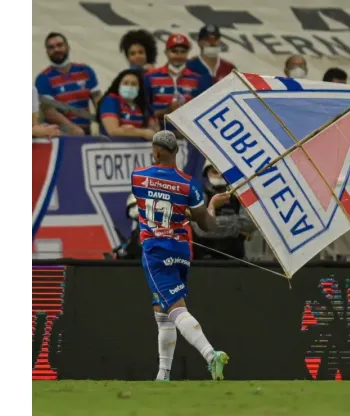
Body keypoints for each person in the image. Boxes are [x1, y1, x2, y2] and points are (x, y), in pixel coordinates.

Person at [132, 130, 231, 381]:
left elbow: (152, 208)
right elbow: (207, 225)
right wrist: (212, 205)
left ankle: (211, 355)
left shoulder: (138, 177)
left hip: (155, 250)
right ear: (176, 153)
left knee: (175, 309)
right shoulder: (189, 185)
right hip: (181, 251)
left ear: (155, 152)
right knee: (162, 312)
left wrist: (177, 212)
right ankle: (163, 375)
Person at [35, 32, 100, 135]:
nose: (56, 49)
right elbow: (49, 112)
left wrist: (107, 121)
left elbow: (98, 100)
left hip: (86, 132)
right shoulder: (43, 78)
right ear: (47, 52)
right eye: (51, 47)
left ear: (68, 47)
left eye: (60, 45)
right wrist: (73, 129)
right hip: (60, 135)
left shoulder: (86, 71)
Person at [192, 161, 255, 260]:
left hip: (235, 259)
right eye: (215, 172)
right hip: (203, 260)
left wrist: (211, 221)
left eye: (223, 172)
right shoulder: (198, 193)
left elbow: (250, 223)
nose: (220, 175)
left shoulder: (242, 193)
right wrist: (238, 229)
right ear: (206, 173)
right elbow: (200, 227)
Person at [145, 34, 207, 131]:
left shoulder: (198, 79)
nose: (178, 56)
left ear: (188, 53)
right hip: (158, 133)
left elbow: (202, 109)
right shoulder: (151, 76)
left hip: (188, 134)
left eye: (183, 52)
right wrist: (165, 112)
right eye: (174, 51)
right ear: (166, 52)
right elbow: (144, 108)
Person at [97, 69, 158, 139]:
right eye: (125, 83)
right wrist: (142, 132)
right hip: (111, 146)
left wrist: (132, 131)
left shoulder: (142, 105)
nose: (129, 87)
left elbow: (154, 128)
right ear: (118, 85)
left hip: (137, 147)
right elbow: (112, 130)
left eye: (134, 84)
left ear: (139, 88)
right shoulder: (110, 101)